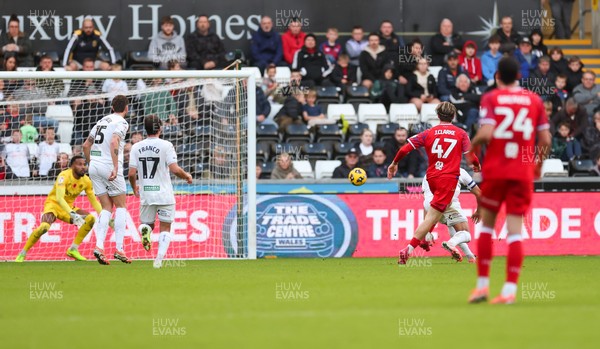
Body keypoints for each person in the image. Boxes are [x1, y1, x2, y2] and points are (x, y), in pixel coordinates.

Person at [468, 56, 551, 304]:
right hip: (522, 172)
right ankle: (509, 292)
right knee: (515, 231)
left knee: (486, 227)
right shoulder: (534, 100)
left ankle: (482, 287)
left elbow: (487, 132)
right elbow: (545, 141)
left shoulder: (492, 98)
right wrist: (537, 166)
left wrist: (472, 149)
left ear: (497, 77)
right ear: (518, 76)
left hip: (496, 171)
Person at [388, 102, 480, 265]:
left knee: (438, 216)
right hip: (448, 179)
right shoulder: (460, 133)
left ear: (438, 115)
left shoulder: (428, 133)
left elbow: (404, 149)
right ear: (453, 116)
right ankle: (409, 249)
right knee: (434, 220)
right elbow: (471, 156)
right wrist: (477, 165)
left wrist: (394, 164)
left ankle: (468, 255)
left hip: (431, 178)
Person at [14, 155, 106, 262]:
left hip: (68, 208)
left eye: (84, 164)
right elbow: (59, 198)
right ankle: (22, 253)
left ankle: (73, 249)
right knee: (44, 227)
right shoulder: (63, 176)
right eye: (79, 164)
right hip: (53, 205)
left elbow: (94, 200)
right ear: (72, 166)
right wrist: (72, 213)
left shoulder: (86, 181)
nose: (83, 167)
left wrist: (105, 216)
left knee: (90, 219)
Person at [129, 115, 192, 268]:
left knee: (148, 225)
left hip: (146, 193)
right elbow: (174, 169)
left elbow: (131, 173)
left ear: (145, 129)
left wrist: (134, 187)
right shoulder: (166, 145)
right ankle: (158, 260)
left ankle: (145, 230)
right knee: (165, 227)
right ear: (160, 128)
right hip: (164, 194)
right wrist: (187, 176)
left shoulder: (136, 147)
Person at [82, 95, 131, 265]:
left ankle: (99, 246)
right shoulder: (122, 123)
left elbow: (85, 145)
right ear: (126, 108)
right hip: (109, 166)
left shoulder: (101, 121)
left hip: (94, 166)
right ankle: (119, 248)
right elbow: (114, 141)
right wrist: (116, 167)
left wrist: (91, 164)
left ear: (111, 106)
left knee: (106, 207)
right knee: (122, 206)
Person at [422, 168, 481, 263]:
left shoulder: (428, 172)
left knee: (452, 227)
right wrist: (479, 211)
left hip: (430, 205)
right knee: (465, 233)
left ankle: (470, 256)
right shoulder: (459, 171)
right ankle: (450, 244)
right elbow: (479, 193)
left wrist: (427, 229)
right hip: (447, 202)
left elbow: (427, 201)